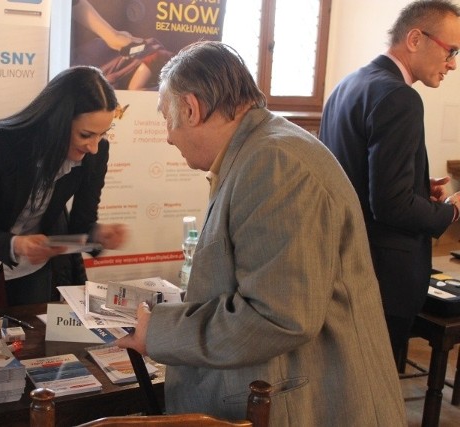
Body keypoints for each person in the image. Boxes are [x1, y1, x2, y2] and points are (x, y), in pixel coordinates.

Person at [116, 41, 407, 426]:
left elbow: (280, 316)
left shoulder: (275, 163)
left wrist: (160, 332)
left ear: (191, 108)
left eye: (167, 118)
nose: (168, 137)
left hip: (318, 403)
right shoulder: (259, 151)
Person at [319, 0, 460, 369]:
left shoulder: (349, 84)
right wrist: (451, 210)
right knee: (372, 395)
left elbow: (357, 177)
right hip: (381, 278)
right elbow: (391, 205)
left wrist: (416, 187)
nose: (453, 65)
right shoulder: (401, 97)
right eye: (452, 51)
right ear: (416, 38)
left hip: (343, 265)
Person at [0, 66, 127, 312]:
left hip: (31, 263)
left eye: (102, 134)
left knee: (34, 334)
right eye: (86, 135)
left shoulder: (97, 154)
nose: (94, 147)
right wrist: (18, 244)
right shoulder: (0, 142)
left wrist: (98, 234)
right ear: (58, 121)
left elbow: (80, 227)